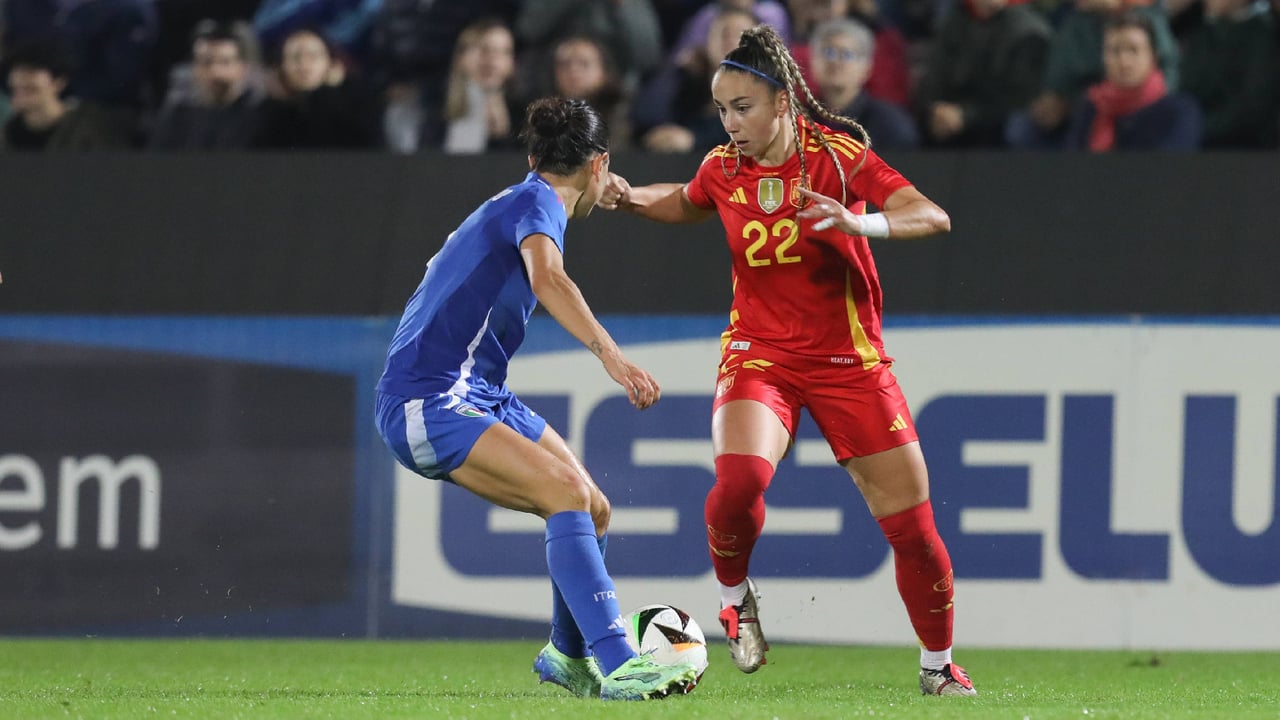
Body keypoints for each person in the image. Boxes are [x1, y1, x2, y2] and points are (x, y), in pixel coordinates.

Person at [597, 24, 977, 697]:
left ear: (782, 102)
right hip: (760, 355)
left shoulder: (838, 157)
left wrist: (861, 223)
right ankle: (734, 600)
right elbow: (685, 200)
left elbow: (932, 215)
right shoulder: (723, 168)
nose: (730, 123)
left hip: (849, 361)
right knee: (739, 479)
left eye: (742, 107)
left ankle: (938, 666)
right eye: (721, 109)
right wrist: (628, 198)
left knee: (914, 531)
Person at [374, 97, 700, 702]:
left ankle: (567, 656)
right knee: (568, 494)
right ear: (599, 162)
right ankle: (620, 664)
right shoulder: (538, 203)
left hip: (480, 394)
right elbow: (548, 277)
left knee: (592, 507)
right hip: (429, 399)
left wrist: (607, 187)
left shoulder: (526, 197)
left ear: (533, 158)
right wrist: (613, 357)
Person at [913, 0, 1050, 147]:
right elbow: (935, 74)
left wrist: (965, 115)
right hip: (948, 120)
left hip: (994, 124)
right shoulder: (956, 19)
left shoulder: (1029, 32)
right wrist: (935, 108)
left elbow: (1019, 98)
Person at [1063, 10, 1201, 151]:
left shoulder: (1179, 111)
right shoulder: (1090, 108)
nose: (1124, 62)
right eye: (1114, 51)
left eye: (1133, 50)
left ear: (1153, 57)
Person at [254, 27, 382, 149]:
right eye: (295, 56)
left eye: (313, 56)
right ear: (281, 66)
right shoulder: (267, 111)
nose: (304, 65)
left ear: (331, 62)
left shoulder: (357, 103)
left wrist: (329, 91)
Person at [148, 19, 263, 151]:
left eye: (225, 62)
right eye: (206, 62)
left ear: (242, 68)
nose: (215, 72)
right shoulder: (177, 118)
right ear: (194, 68)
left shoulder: (259, 119)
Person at [809, 17, 919, 150]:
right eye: (828, 52)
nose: (835, 62)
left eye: (847, 55)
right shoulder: (798, 117)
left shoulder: (890, 125)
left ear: (867, 67)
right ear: (812, 61)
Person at [1, 40, 128, 151]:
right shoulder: (6, 135)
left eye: (30, 71)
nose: (18, 79)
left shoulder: (88, 130)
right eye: (14, 73)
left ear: (59, 82)